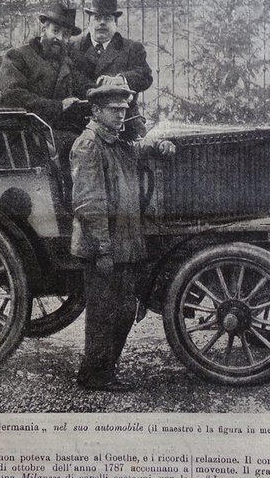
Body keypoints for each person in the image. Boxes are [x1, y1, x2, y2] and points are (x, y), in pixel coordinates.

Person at [70, 84, 175, 391]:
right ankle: (93, 375)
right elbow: (89, 205)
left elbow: (137, 150)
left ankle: (106, 370)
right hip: (103, 246)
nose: (121, 115)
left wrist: (159, 146)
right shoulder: (89, 145)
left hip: (123, 244)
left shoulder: (115, 142)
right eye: (114, 110)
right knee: (103, 314)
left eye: (124, 110)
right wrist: (103, 250)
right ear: (96, 111)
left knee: (124, 311)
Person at [0, 2, 92, 202]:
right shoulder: (18, 56)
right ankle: (70, 206)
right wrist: (58, 106)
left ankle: (81, 204)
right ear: (43, 28)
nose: (60, 38)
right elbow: (12, 96)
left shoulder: (65, 62)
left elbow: (85, 87)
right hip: (21, 134)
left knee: (90, 142)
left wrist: (103, 89)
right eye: (55, 30)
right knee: (78, 145)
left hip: (49, 132)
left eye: (66, 34)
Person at [70, 0, 153, 141]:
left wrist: (121, 80)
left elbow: (145, 75)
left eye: (107, 19)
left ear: (115, 23)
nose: (102, 23)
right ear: (89, 22)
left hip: (124, 124)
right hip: (81, 124)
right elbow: (71, 77)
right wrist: (102, 88)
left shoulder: (131, 48)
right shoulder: (74, 47)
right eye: (97, 18)